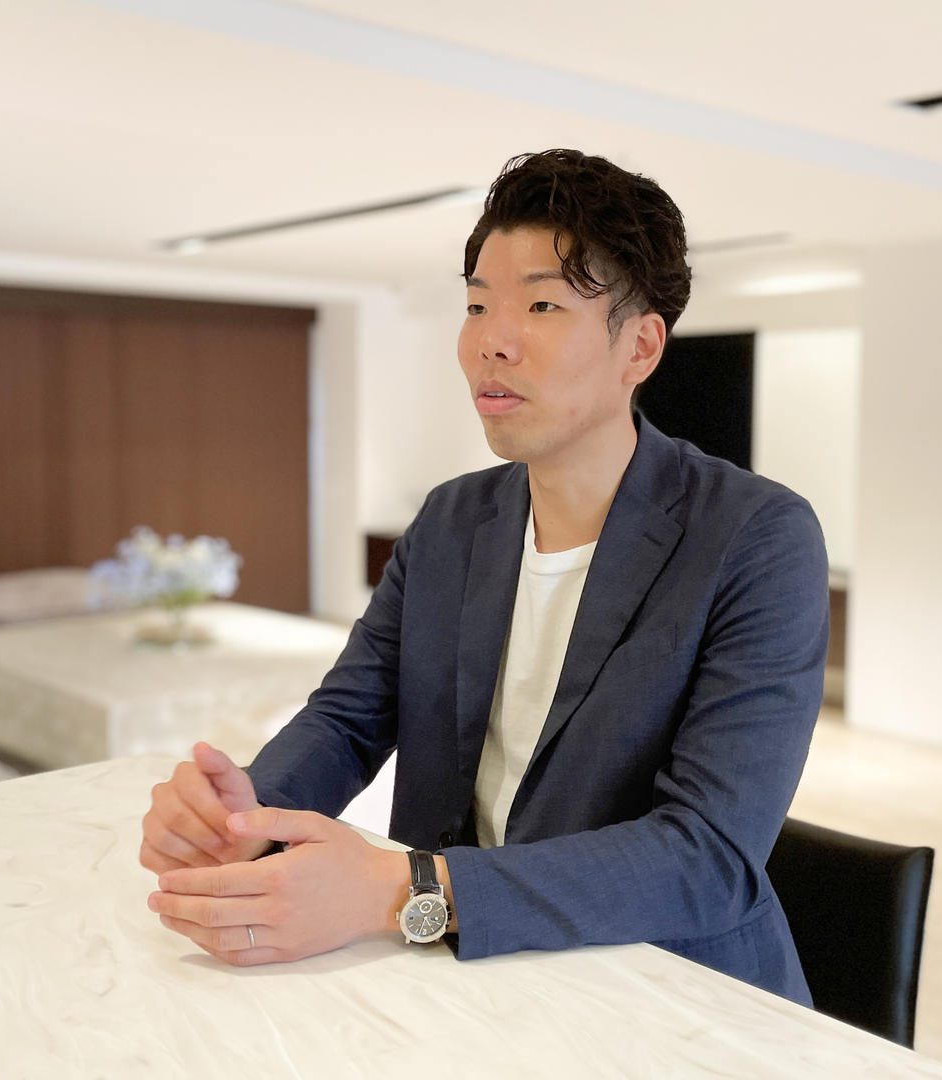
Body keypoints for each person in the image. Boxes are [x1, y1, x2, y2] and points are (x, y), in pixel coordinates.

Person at [141, 149, 828, 1004]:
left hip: (673, 1000)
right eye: (475, 305)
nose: (490, 342)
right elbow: (349, 717)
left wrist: (404, 890)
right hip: (473, 987)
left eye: (541, 304)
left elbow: (708, 858)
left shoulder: (757, 538)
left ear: (640, 347)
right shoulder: (451, 521)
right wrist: (247, 814)